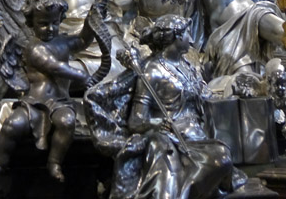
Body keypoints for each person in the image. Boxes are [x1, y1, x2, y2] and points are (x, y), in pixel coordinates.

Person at [85, 14, 241, 199]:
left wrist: (232, 89)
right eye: (186, 34)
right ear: (175, 36)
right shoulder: (152, 72)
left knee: (222, 156)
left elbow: (207, 95)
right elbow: (136, 121)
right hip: (170, 139)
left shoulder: (187, 67)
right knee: (209, 162)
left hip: (197, 137)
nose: (191, 39)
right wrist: (156, 123)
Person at [0, 0, 92, 182]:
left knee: (67, 123)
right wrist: (81, 75)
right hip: (34, 102)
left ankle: (54, 162)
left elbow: (83, 40)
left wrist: (93, 17)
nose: (50, 28)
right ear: (32, 23)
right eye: (43, 24)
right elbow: (55, 67)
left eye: (55, 23)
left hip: (60, 102)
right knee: (12, 125)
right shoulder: (34, 48)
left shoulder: (63, 42)